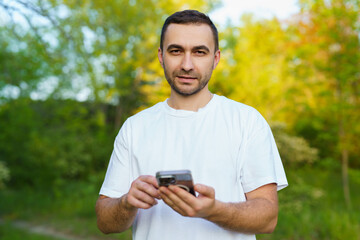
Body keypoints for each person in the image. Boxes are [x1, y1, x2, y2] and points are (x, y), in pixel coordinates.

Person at [95, 9, 288, 240]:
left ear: (215, 58)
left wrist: (214, 210)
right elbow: (104, 222)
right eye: (176, 51)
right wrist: (126, 203)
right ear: (160, 55)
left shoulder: (247, 121)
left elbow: (268, 218)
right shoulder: (134, 127)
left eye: (199, 52)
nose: (187, 64)